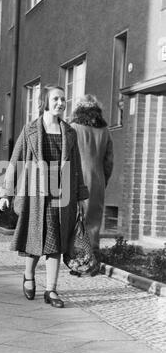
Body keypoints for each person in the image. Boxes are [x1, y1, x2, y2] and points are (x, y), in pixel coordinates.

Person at [0, 84, 89, 308]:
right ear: (45, 102)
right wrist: (6, 192)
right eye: (56, 99)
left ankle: (51, 290)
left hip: (63, 193)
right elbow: (15, 161)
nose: (60, 103)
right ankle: (29, 276)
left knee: (56, 242)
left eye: (63, 99)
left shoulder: (70, 132)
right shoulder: (30, 130)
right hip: (36, 193)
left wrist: (80, 197)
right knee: (35, 239)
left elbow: (76, 166)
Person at [70, 94, 113, 255]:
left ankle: (78, 255)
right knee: (94, 218)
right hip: (98, 178)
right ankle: (93, 254)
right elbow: (109, 161)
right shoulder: (105, 131)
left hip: (77, 178)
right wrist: (104, 179)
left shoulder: (73, 128)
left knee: (76, 217)